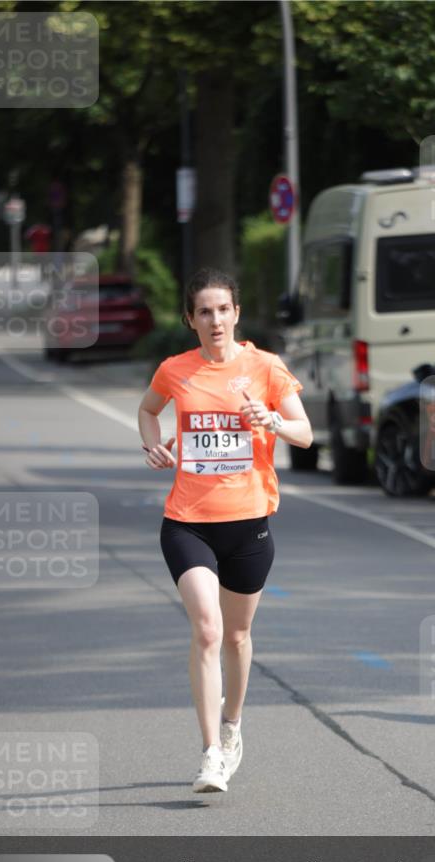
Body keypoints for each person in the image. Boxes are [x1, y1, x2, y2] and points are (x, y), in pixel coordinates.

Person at [138, 267, 313, 793]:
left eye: (222, 310)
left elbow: (305, 433)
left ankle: (233, 726)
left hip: (248, 522)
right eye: (204, 312)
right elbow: (148, 410)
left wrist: (272, 421)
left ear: (236, 313)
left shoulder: (265, 367)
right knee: (208, 629)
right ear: (190, 319)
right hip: (187, 522)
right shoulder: (175, 370)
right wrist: (154, 444)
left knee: (236, 635)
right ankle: (211, 753)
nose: (215, 320)